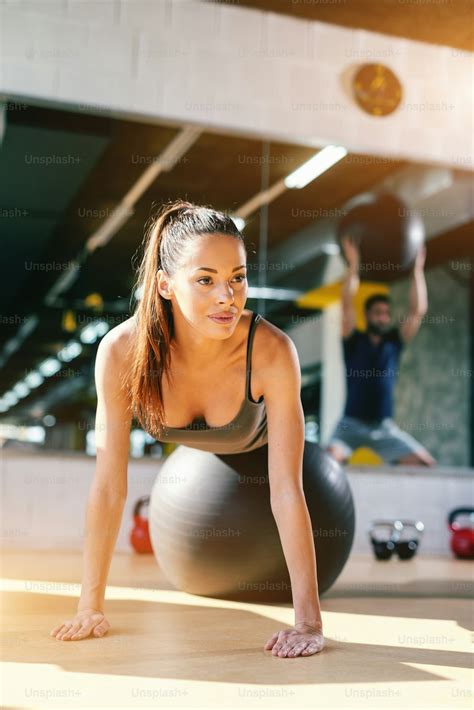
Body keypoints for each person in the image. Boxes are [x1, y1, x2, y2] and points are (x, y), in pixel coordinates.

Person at [50, 200, 325, 658]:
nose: (228, 296)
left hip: (285, 470)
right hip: (204, 480)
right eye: (205, 280)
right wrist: (88, 606)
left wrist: (309, 623)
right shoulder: (121, 351)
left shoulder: (272, 350)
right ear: (165, 285)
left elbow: (285, 489)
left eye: (237, 277)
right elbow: (109, 487)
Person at [326, 235, 436, 467]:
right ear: (367, 316)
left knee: (425, 464)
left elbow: (418, 309)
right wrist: (354, 264)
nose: (383, 317)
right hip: (350, 424)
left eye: (386, 313)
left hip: (384, 427)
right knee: (327, 462)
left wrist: (416, 269)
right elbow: (346, 302)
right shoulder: (353, 340)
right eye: (378, 312)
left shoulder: (393, 342)